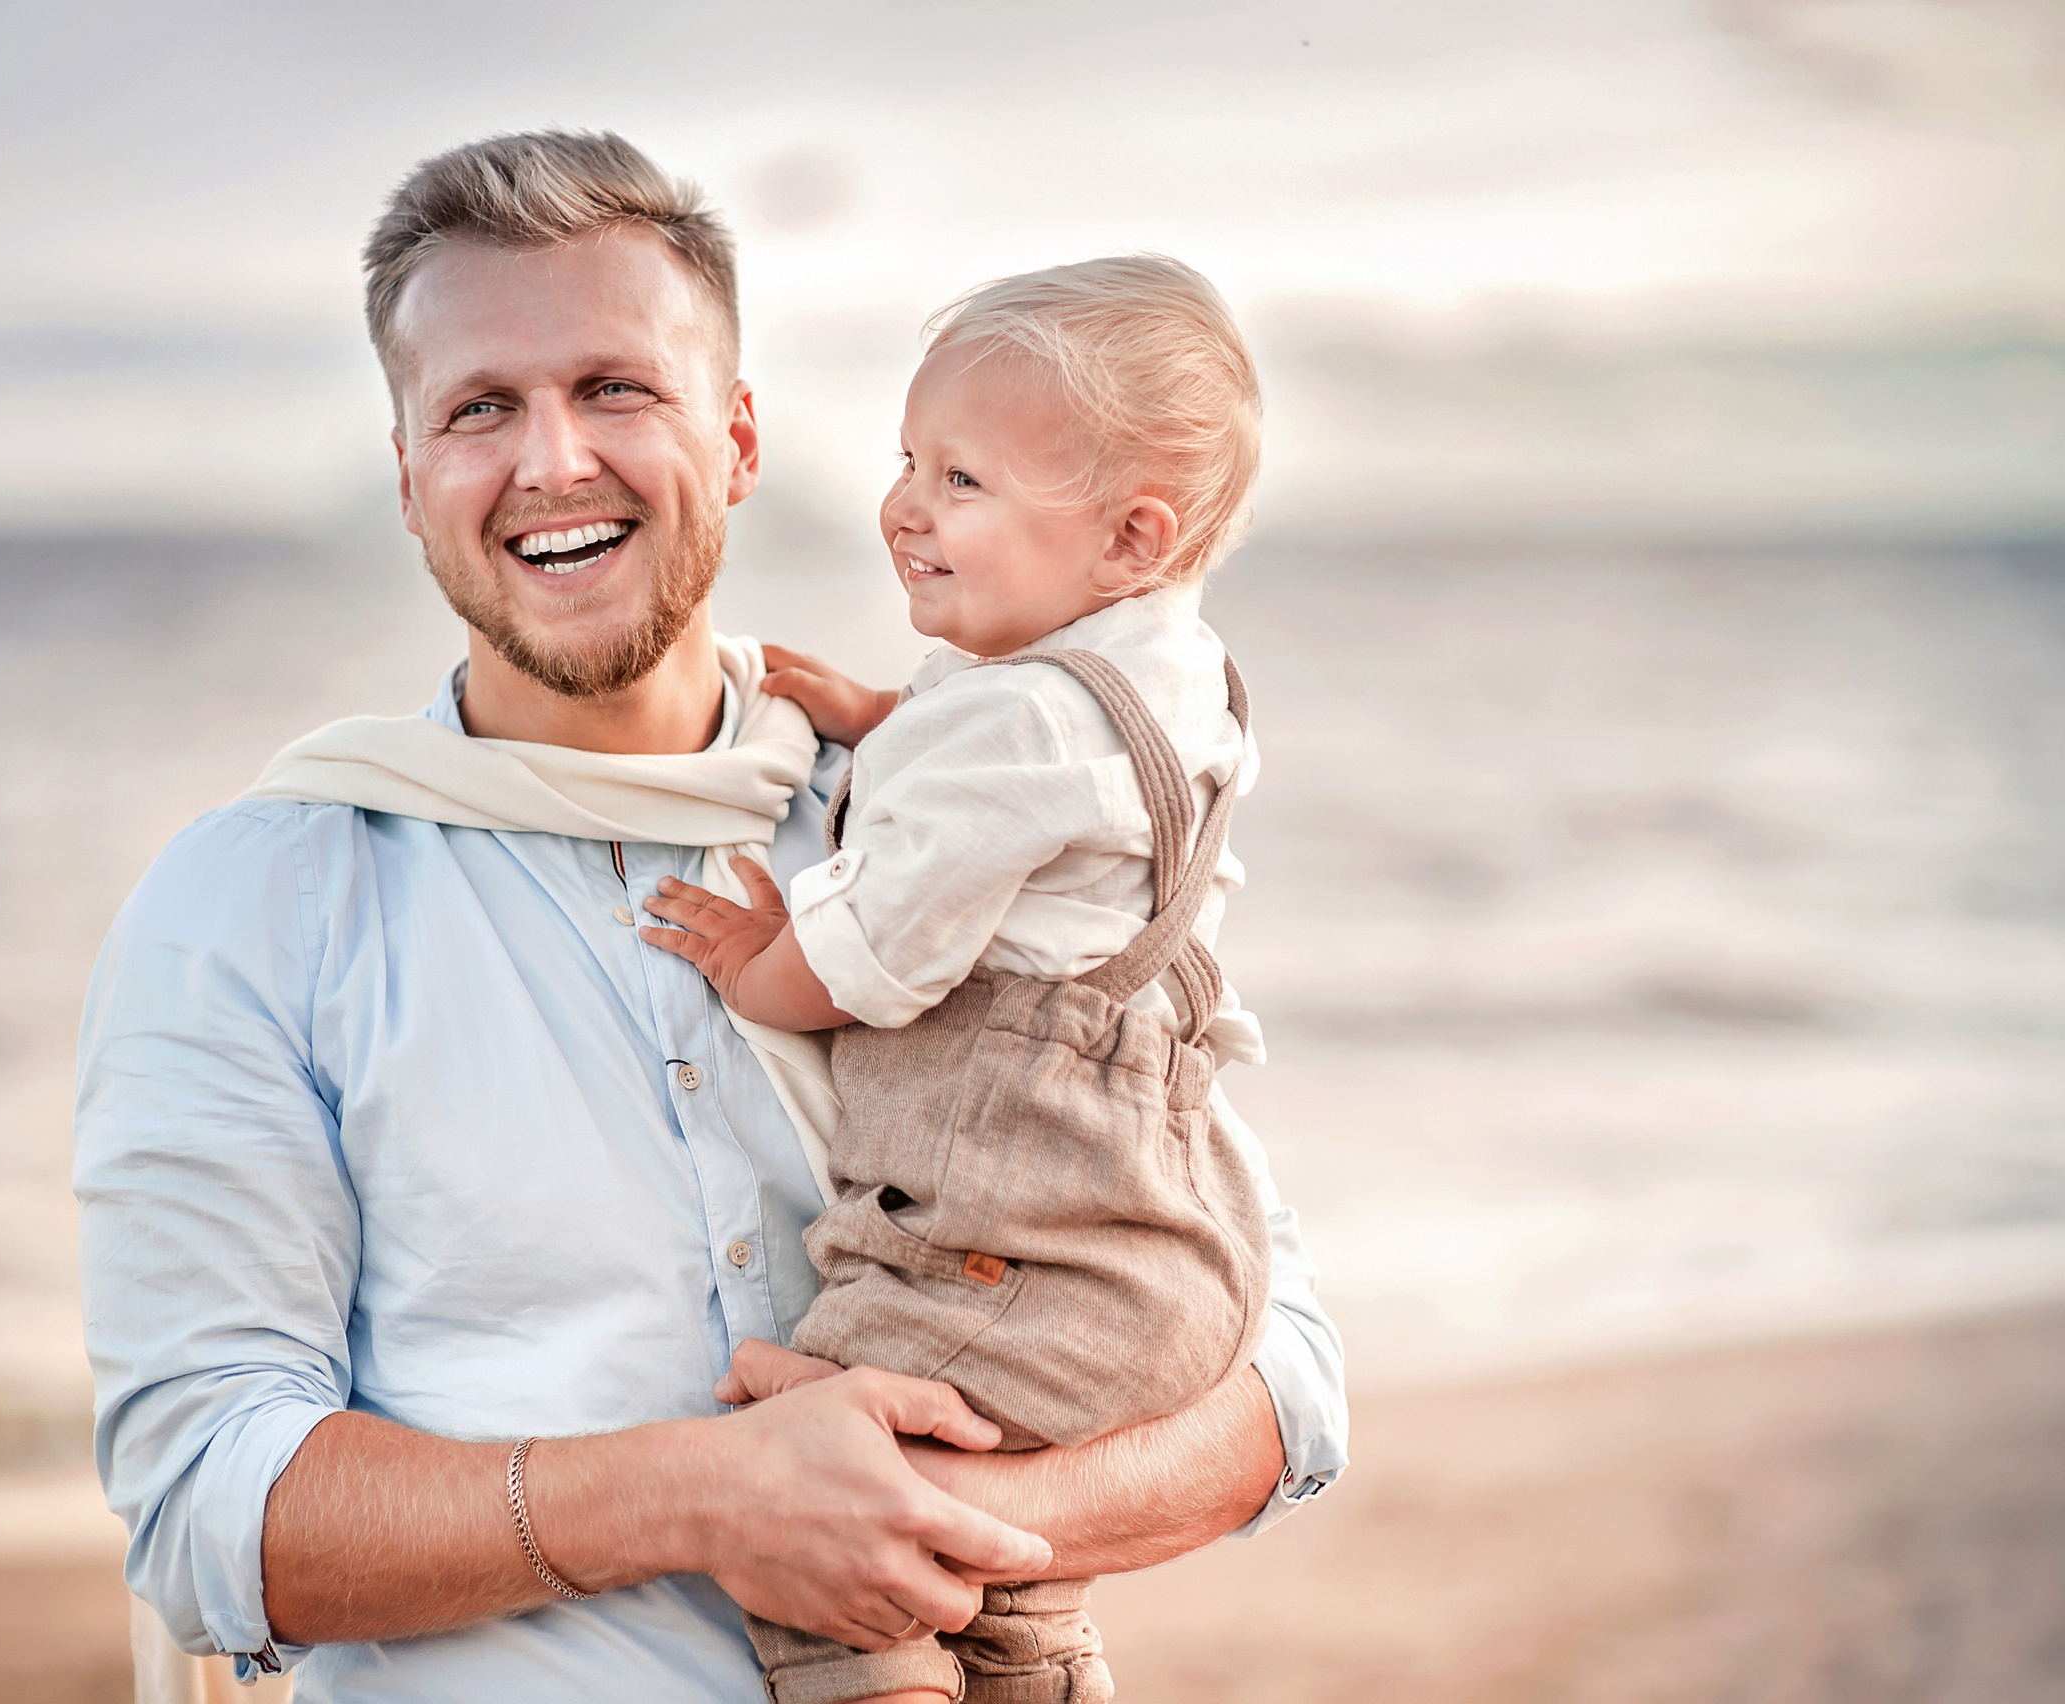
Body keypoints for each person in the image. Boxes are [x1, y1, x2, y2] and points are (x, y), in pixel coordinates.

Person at [74, 130, 1346, 1704]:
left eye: (617, 387)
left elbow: (1281, 1364)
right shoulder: (250, 905)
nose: (553, 462)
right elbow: (208, 1510)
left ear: (738, 436)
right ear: (408, 478)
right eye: (480, 407)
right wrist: (703, 1496)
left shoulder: (939, 810)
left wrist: (936, 1532)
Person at [641, 255, 1275, 1704]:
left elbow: (872, 960)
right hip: (1157, 1241)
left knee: (800, 1472)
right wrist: (884, 722)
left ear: (1131, 534)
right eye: (909, 462)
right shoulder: (1170, 675)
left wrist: (756, 963)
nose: (906, 507)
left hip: (1022, 1246)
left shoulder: (1016, 740)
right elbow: (1050, 789)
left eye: (965, 481)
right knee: (1005, 1582)